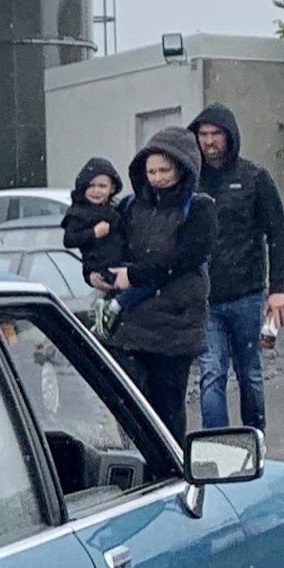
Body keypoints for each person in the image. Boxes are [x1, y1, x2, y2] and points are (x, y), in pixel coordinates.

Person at [96, 128, 216, 445]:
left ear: (182, 168)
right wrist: (96, 273)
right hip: (131, 324)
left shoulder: (199, 208)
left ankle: (172, 469)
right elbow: (107, 248)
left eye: (165, 170)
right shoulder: (130, 207)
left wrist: (134, 275)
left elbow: (184, 258)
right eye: (152, 171)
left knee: (168, 407)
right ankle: (141, 464)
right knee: (133, 405)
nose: (158, 178)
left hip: (175, 326)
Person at [190, 104, 284, 432]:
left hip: (247, 296)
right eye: (202, 135)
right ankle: (218, 450)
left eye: (215, 134)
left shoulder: (254, 178)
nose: (209, 141)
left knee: (250, 375)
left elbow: (277, 233)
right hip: (204, 300)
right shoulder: (190, 182)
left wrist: (277, 289)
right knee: (211, 375)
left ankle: (255, 443)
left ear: (229, 136)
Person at [60, 157, 152, 336]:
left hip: (119, 262)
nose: (96, 191)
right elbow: (69, 239)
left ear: (112, 189)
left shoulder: (116, 209)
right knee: (141, 282)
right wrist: (93, 233)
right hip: (101, 266)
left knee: (141, 279)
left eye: (102, 186)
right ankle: (109, 311)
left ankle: (107, 315)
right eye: (92, 185)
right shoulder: (78, 212)